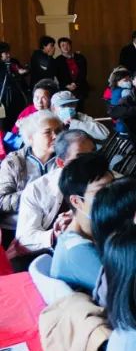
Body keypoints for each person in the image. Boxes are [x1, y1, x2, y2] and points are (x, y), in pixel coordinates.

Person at [6, 129, 94, 262]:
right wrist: (55, 234)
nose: (90, 163)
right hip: (47, 257)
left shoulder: (107, 181)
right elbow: (25, 238)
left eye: (93, 155)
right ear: (61, 163)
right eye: (80, 158)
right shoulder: (38, 189)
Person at [49, 153, 114, 291]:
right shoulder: (77, 251)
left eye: (113, 187)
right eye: (102, 191)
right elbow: (125, 293)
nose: (114, 196)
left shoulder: (97, 229)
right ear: (77, 201)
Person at [0, 110, 60, 222]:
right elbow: (2, 200)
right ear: (31, 138)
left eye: (58, 131)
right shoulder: (13, 162)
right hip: (17, 226)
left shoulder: (64, 159)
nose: (55, 136)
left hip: (55, 224)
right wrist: (36, 195)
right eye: (47, 132)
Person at [0, 43, 29, 131]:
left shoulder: (12, 63)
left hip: (16, 97)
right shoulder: (3, 66)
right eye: (6, 53)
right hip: (4, 98)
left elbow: (21, 70)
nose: (9, 55)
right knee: (6, 123)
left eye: (9, 52)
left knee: (18, 120)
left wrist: (22, 71)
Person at [52, 38, 89, 102]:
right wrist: (67, 85)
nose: (65, 47)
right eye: (63, 45)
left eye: (67, 44)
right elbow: (58, 76)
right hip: (65, 89)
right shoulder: (57, 60)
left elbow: (83, 72)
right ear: (60, 48)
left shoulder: (80, 57)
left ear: (70, 45)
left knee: (81, 105)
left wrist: (75, 84)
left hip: (80, 87)